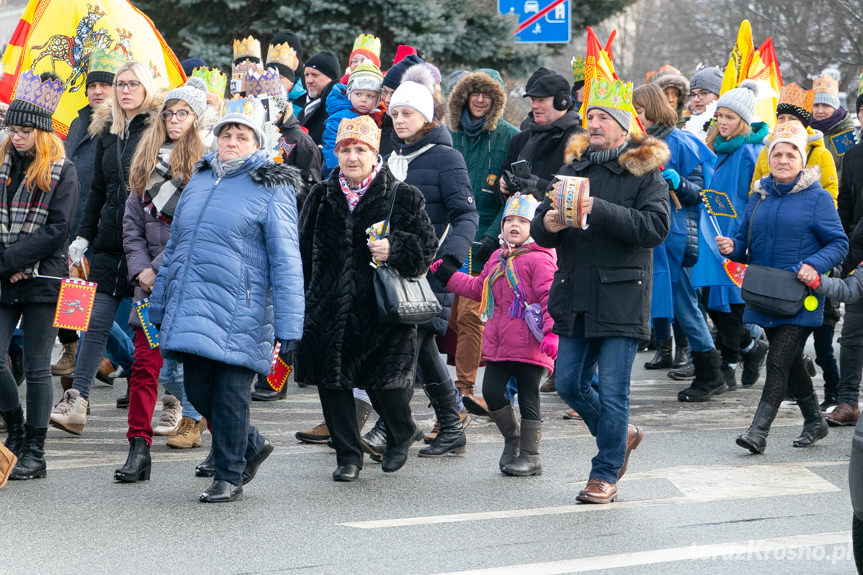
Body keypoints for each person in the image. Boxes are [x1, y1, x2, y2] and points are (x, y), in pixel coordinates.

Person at [148, 98, 304, 502]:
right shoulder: (200, 179)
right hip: (195, 304)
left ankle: (229, 475)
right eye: (226, 134)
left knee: (232, 396)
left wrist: (290, 326)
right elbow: (177, 247)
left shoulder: (272, 187)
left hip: (243, 309)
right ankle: (250, 443)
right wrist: (160, 302)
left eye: (242, 136)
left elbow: (287, 259)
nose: (232, 142)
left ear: (258, 143)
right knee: (198, 391)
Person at [530, 78, 669, 503]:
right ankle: (620, 433)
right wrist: (549, 223)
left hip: (622, 296)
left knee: (613, 389)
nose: (593, 124)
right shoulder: (572, 170)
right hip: (576, 292)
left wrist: (600, 209)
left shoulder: (645, 174)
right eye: (590, 117)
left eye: (603, 118)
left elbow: (654, 229)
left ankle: (604, 471)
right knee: (569, 384)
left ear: (624, 128)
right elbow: (541, 222)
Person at [296, 115, 437, 481]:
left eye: (360, 149)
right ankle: (348, 455)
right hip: (326, 308)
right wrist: (304, 302)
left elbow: (426, 250)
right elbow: (301, 251)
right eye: (345, 150)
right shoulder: (320, 195)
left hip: (381, 311)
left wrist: (396, 247)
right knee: (333, 383)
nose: (352, 157)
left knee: (384, 384)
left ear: (375, 153)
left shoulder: (402, 195)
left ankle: (401, 431)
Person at [363, 64, 478, 458]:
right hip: (392, 265)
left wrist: (448, 260)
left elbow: (466, 215)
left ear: (426, 116)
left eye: (406, 113)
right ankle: (450, 422)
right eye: (393, 113)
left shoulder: (446, 157)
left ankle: (388, 427)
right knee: (421, 348)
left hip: (429, 270)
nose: (398, 120)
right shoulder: (388, 154)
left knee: (405, 346)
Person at [716, 120, 847, 453]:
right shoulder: (758, 196)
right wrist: (733, 247)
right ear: (769, 158)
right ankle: (815, 421)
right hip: (765, 292)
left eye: (791, 154)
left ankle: (758, 432)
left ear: (802, 161)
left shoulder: (817, 198)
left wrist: (813, 265)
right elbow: (745, 242)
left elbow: (838, 243)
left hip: (800, 294)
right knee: (787, 362)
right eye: (778, 154)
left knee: (776, 361)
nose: (783, 160)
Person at [50, 61, 160, 435]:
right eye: (121, 85)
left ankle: (177, 403)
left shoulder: (157, 129)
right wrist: (84, 235)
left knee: (151, 331)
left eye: (132, 84)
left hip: (147, 246)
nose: (125, 90)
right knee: (93, 324)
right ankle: (77, 400)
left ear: (146, 88)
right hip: (109, 242)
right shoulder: (107, 130)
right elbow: (97, 188)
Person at [112, 78, 209, 482]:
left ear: (195, 119)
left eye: (182, 113)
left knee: (203, 370)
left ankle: (223, 446)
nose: (173, 119)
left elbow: (194, 229)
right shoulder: (145, 163)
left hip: (188, 283)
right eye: (168, 112)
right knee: (145, 368)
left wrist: (161, 268)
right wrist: (142, 270)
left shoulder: (205, 168)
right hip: (148, 287)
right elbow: (131, 226)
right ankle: (139, 448)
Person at [432, 193, 556, 476]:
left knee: (528, 399)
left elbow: (551, 298)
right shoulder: (497, 258)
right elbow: (479, 288)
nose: (514, 225)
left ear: (534, 226)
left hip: (531, 346)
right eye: (509, 220)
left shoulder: (540, 259)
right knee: (491, 391)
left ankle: (530, 454)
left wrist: (552, 334)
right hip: (500, 344)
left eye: (522, 221)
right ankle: (512, 439)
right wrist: (448, 276)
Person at [0, 71, 78, 480]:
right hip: (4, 275)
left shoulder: (63, 170)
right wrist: (6, 262)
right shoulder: (2, 163)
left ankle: (35, 449)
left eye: (24, 129)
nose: (16, 136)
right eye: (12, 128)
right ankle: (14, 430)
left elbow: (57, 230)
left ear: (42, 131)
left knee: (35, 367)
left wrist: (11, 261)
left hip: (43, 278)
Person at [630, 84, 730, 402]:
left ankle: (710, 373)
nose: (637, 118)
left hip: (674, 238)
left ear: (654, 110)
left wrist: (678, 181)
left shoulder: (683, 142)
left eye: (641, 112)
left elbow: (701, 192)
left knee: (685, 306)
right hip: (646, 236)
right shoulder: (635, 143)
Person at [445, 69, 519, 415]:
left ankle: (465, 388)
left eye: (486, 94)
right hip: (449, 236)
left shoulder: (509, 136)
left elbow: (514, 195)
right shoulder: (449, 134)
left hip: (487, 240)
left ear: (496, 100)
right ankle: (441, 386)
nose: (479, 99)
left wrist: (492, 235)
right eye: (473, 93)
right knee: (442, 318)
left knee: (470, 316)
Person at [691, 82, 770, 394]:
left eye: (730, 117)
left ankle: (732, 362)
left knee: (730, 302)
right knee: (712, 300)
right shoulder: (716, 148)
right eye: (719, 116)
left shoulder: (751, 151)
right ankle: (750, 346)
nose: (722, 123)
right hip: (712, 230)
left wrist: (744, 234)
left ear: (744, 121)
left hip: (736, 233)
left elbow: (755, 196)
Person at [52, 47, 118, 378]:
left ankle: (124, 359)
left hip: (101, 224)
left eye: (105, 85)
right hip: (71, 219)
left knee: (92, 301)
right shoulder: (79, 121)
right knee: (71, 291)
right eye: (93, 85)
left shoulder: (116, 125)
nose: (97, 91)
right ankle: (74, 350)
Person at [500, 67, 583, 200]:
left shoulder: (580, 140)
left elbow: (575, 195)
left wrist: (535, 185)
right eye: (533, 100)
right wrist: (503, 185)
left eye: (541, 100)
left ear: (562, 102)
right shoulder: (519, 139)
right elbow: (501, 190)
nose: (534, 105)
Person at [750, 83, 838, 203]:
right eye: (781, 118)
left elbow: (830, 197)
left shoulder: (820, 154)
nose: (786, 122)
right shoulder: (766, 151)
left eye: (792, 118)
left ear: (804, 123)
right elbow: (754, 192)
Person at [321, 63, 384, 177]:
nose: (363, 100)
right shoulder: (340, 117)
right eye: (358, 94)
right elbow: (331, 146)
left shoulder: (377, 116)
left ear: (378, 99)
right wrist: (338, 172)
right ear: (350, 93)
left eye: (370, 96)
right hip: (339, 172)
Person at [811, 74, 857, 181]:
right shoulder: (806, 131)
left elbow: (847, 171)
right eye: (816, 105)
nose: (820, 111)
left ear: (835, 107)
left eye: (826, 106)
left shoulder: (845, 133)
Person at [296, 51, 341, 146]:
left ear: (331, 78)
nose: (308, 81)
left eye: (315, 75)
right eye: (306, 75)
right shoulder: (305, 107)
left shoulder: (337, 109)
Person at [683, 66, 723, 140]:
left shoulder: (727, 128)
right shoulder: (685, 126)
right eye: (693, 94)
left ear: (719, 95)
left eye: (703, 93)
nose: (696, 99)